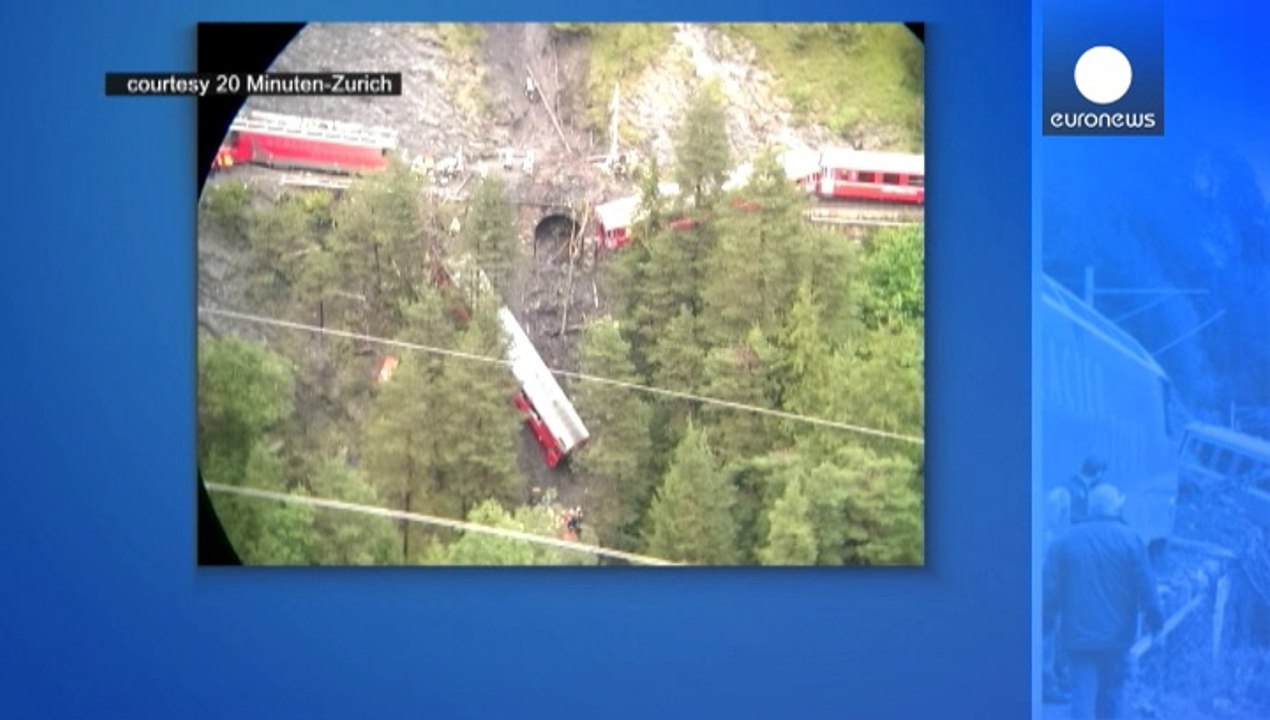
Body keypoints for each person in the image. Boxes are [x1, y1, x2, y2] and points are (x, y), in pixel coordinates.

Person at [1043, 484, 1164, 720]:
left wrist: (1044, 627)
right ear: (1116, 506)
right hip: (1117, 640)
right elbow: (1147, 588)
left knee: (1082, 703)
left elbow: (1049, 591)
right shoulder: (1131, 539)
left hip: (1078, 638)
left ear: (1090, 507)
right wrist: (1156, 625)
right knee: (1112, 700)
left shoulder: (1065, 540)